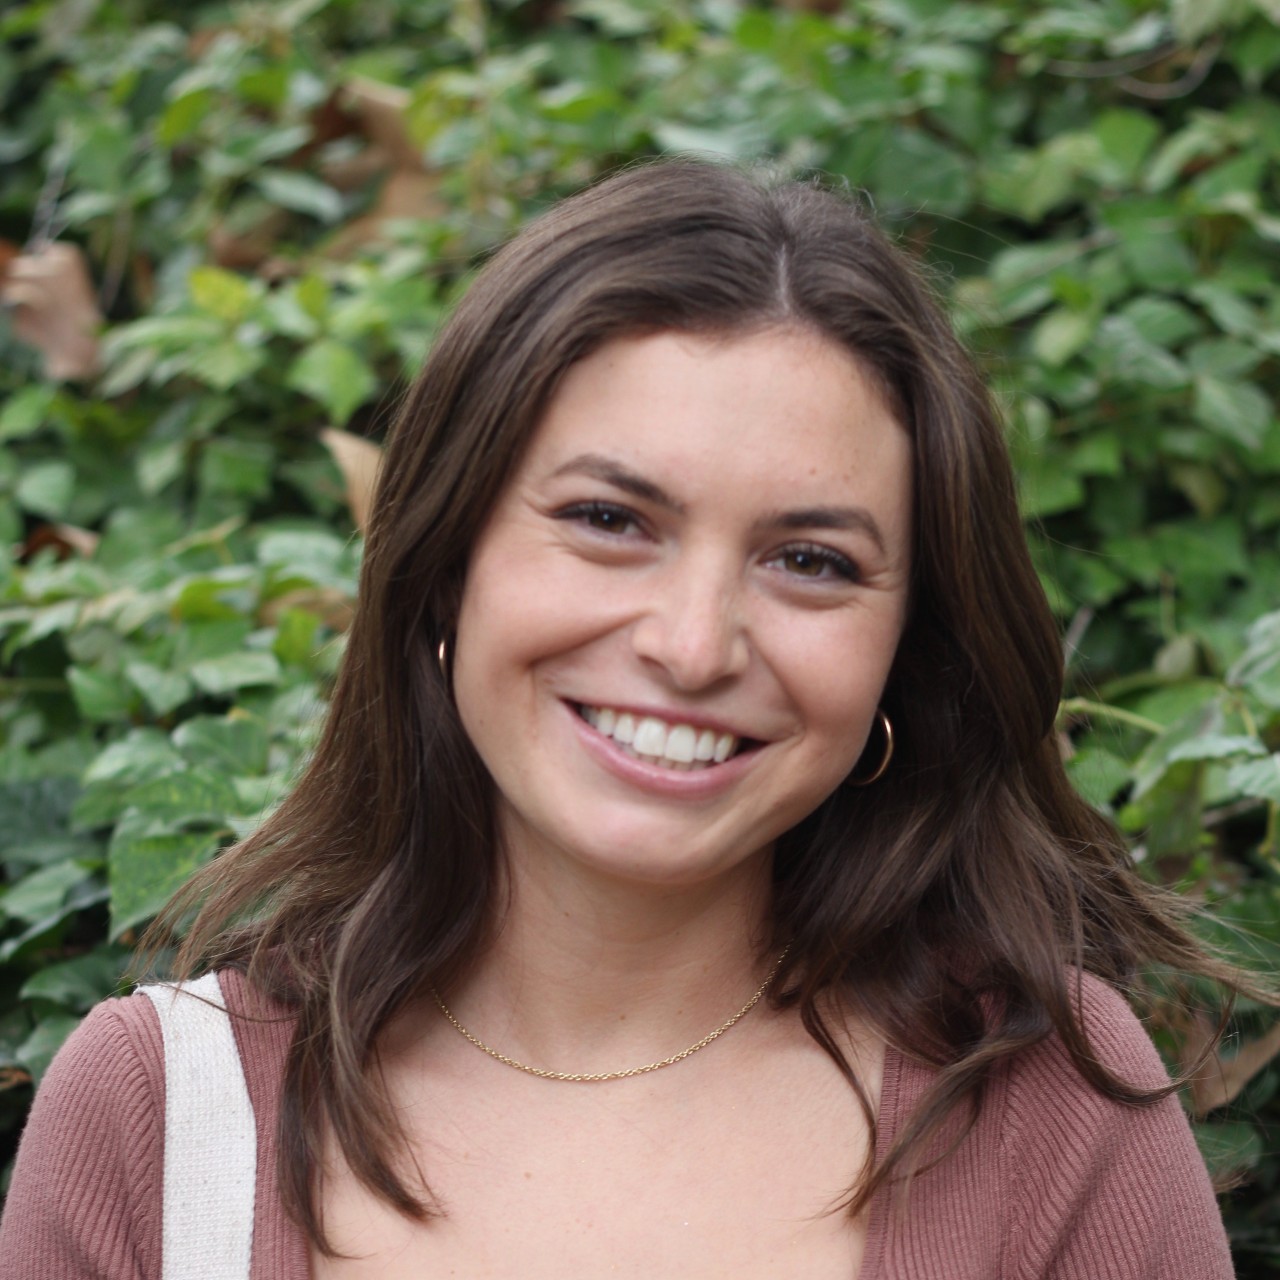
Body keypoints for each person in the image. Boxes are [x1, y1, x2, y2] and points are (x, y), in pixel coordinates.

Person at [0, 159, 1251, 1279]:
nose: (693, 644)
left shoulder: (1048, 1107)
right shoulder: (158, 1121)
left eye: (809, 559)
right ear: (444, 566)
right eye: (609, 520)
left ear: (899, 652)